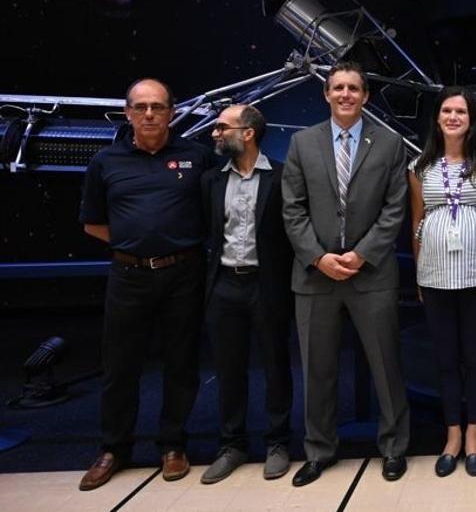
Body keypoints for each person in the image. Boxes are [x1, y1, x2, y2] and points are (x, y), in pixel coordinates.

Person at [78, 78, 215, 491]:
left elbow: (214, 215)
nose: (150, 114)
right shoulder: (105, 162)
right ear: (128, 113)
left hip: (184, 274)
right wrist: (135, 246)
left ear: (172, 111)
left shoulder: (199, 157)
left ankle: (173, 445)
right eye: (141, 107)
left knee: (181, 363)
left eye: (157, 106)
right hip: (129, 275)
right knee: (121, 367)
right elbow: (93, 223)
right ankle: (114, 449)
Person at [281, 61, 411, 486]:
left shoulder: (390, 144)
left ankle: (393, 448)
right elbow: (292, 209)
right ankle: (319, 451)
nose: (345, 95)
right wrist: (319, 257)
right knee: (317, 369)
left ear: (365, 95)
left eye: (354, 88)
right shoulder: (302, 143)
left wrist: (362, 254)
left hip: (370, 273)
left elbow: (395, 208)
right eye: (338, 87)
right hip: (315, 276)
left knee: (386, 367)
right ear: (326, 94)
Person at [408, 87, 476, 478]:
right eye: (447, 110)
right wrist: (419, 270)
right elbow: (417, 223)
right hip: (435, 277)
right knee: (445, 359)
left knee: (475, 357)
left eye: (461, 112)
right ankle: (451, 434)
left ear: (472, 119)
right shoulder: (420, 166)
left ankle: (474, 434)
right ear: (437, 118)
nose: (453, 117)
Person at [198, 104, 294, 484]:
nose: (215, 133)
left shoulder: (283, 178)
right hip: (223, 284)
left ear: (248, 133)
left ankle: (278, 442)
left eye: (222, 127)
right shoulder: (209, 181)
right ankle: (232, 444)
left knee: (276, 365)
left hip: (266, 283)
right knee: (228, 368)